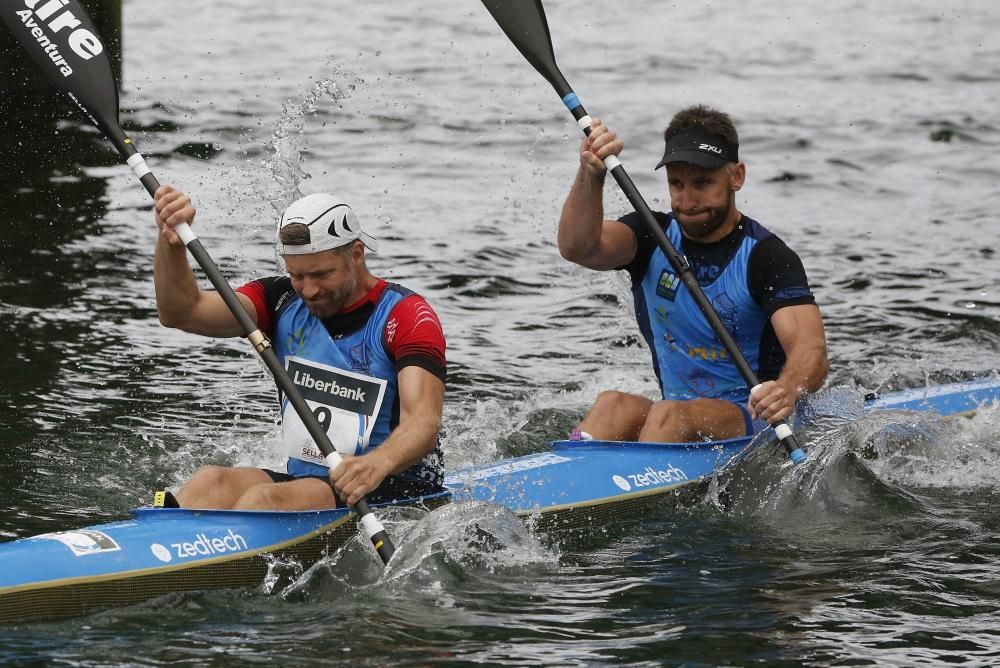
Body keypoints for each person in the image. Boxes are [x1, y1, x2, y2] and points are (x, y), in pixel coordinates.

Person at [152, 186, 447, 510]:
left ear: (356, 254)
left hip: (390, 486)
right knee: (210, 481)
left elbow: (423, 422)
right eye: (297, 275)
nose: (308, 290)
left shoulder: (407, 316)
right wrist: (171, 244)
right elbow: (182, 312)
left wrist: (375, 464)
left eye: (322, 274)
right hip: (310, 486)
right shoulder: (280, 300)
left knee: (262, 500)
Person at [559, 105, 828, 443]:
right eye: (677, 184)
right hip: (673, 414)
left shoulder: (766, 257)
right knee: (612, 404)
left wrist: (786, 390)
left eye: (702, 183)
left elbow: (811, 348)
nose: (687, 201)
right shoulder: (651, 237)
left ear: (736, 177)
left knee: (669, 416)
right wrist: (591, 174)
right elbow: (578, 248)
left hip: (756, 418)